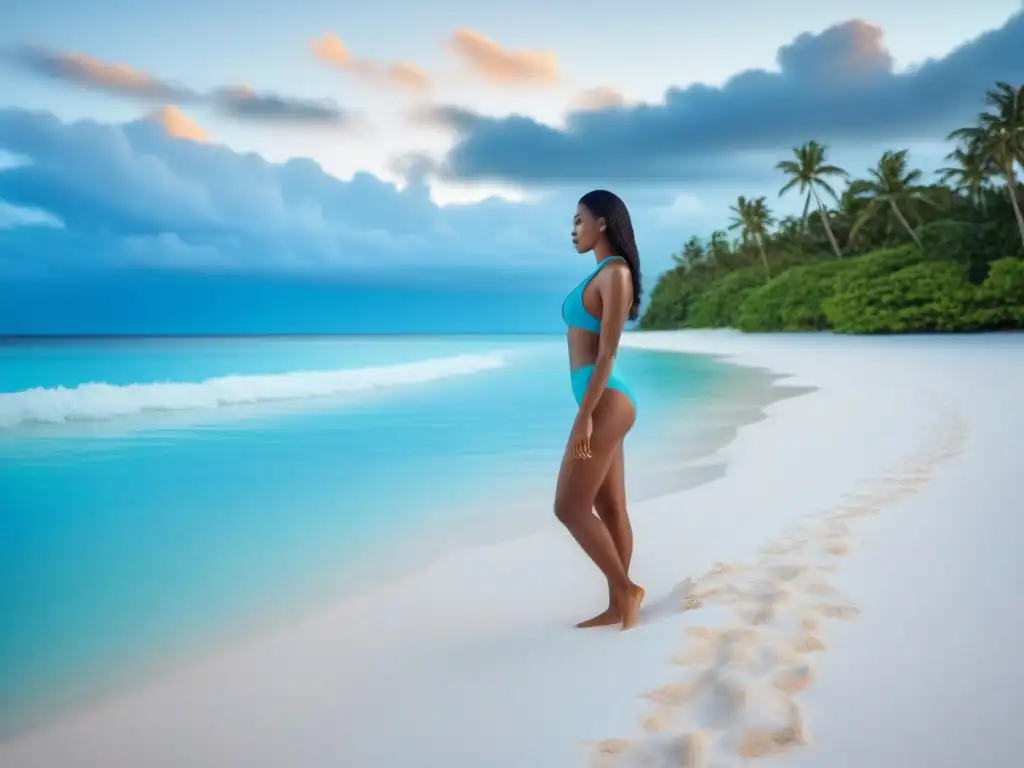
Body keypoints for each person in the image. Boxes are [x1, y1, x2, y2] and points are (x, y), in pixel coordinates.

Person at [557, 189, 645, 631]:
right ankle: (618, 604)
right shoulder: (602, 273)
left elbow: (608, 352)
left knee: (569, 508)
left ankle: (626, 590)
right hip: (603, 401)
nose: (573, 230)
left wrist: (584, 417)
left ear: (602, 223)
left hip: (606, 401)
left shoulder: (615, 275)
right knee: (609, 506)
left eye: (578, 220)